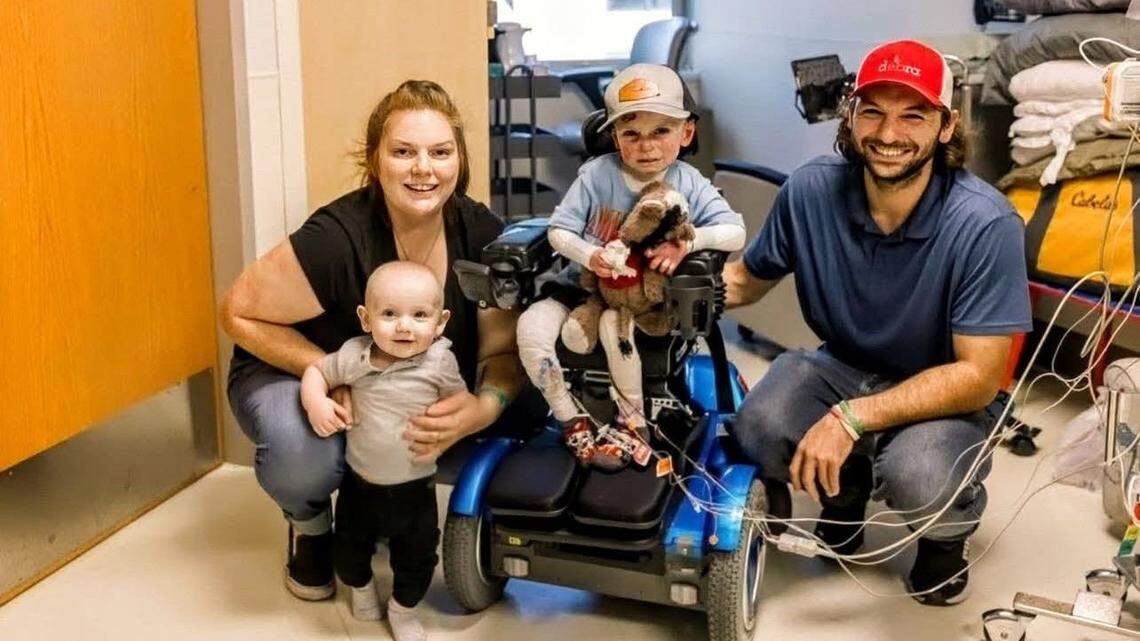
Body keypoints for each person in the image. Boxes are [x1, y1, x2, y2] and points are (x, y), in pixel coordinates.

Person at [723, 40, 1032, 606]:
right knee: (758, 425)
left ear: (946, 125)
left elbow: (979, 377)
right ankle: (846, 493)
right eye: (873, 112)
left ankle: (944, 541)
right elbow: (745, 279)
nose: (889, 134)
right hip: (842, 366)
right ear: (850, 116)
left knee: (923, 476)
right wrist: (654, 289)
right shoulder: (811, 190)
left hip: (946, 390)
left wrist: (849, 419)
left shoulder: (985, 223)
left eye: (913, 115)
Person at [221, 80, 534, 602]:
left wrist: (483, 407)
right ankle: (311, 527)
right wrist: (327, 373)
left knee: (519, 410)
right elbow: (238, 313)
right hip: (297, 369)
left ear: (459, 159)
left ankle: (381, 501)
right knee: (303, 458)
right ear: (374, 160)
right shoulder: (334, 238)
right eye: (403, 152)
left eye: (440, 152)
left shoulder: (481, 235)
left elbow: (501, 353)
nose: (423, 169)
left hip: (395, 382)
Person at [516, 63, 745, 470]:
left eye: (661, 131)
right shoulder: (596, 175)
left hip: (644, 304)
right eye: (631, 134)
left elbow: (735, 233)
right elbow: (559, 231)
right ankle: (570, 418)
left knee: (612, 328)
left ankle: (633, 423)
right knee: (530, 329)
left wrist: (688, 242)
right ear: (614, 136)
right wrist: (591, 256)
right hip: (582, 289)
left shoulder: (688, 182)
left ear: (686, 133)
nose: (647, 146)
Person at [301, 262, 460, 639]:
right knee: (348, 552)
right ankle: (362, 590)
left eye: (419, 315)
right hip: (360, 485)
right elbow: (317, 372)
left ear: (440, 322)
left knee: (418, 558)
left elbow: (460, 405)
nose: (404, 326)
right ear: (366, 319)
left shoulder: (440, 361)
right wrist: (316, 403)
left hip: (416, 487)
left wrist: (449, 428)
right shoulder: (354, 356)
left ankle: (403, 609)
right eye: (389, 314)